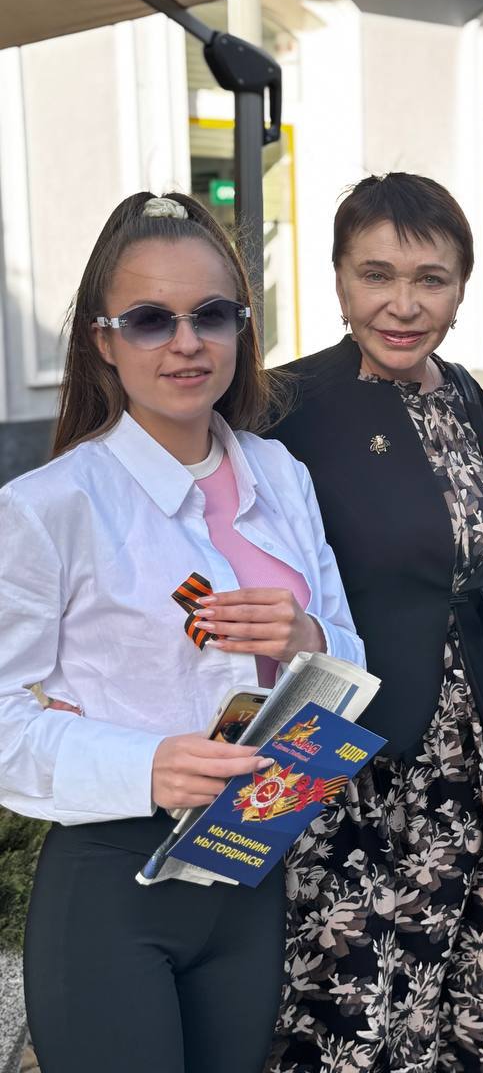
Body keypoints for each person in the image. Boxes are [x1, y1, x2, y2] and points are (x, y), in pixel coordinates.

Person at [0, 192, 363, 1073]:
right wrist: (146, 763)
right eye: (150, 319)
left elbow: (350, 663)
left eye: (211, 314)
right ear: (103, 340)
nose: (187, 342)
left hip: (251, 866)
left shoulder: (280, 474)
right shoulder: (50, 507)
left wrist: (309, 637)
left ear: (241, 326)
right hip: (114, 881)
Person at [265, 172, 483, 1073]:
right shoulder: (283, 405)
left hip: (457, 739)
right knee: (345, 978)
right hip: (341, 744)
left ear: (461, 288)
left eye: (431, 279)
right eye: (376, 275)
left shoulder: (465, 396)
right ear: (338, 278)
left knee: (452, 962)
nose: (404, 305)